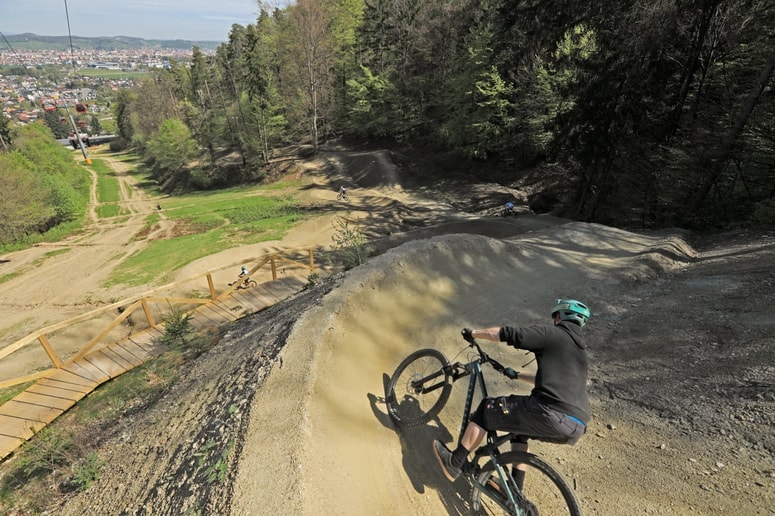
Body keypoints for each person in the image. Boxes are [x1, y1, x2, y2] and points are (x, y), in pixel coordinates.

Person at [433, 299, 591, 483]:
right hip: (576, 426)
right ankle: (515, 488)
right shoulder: (581, 354)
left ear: (558, 317)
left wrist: (473, 333)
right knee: (519, 433)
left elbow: (511, 334)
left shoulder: (553, 334)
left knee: (486, 409)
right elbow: (546, 379)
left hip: (550, 412)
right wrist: (516, 375)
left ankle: (454, 462)